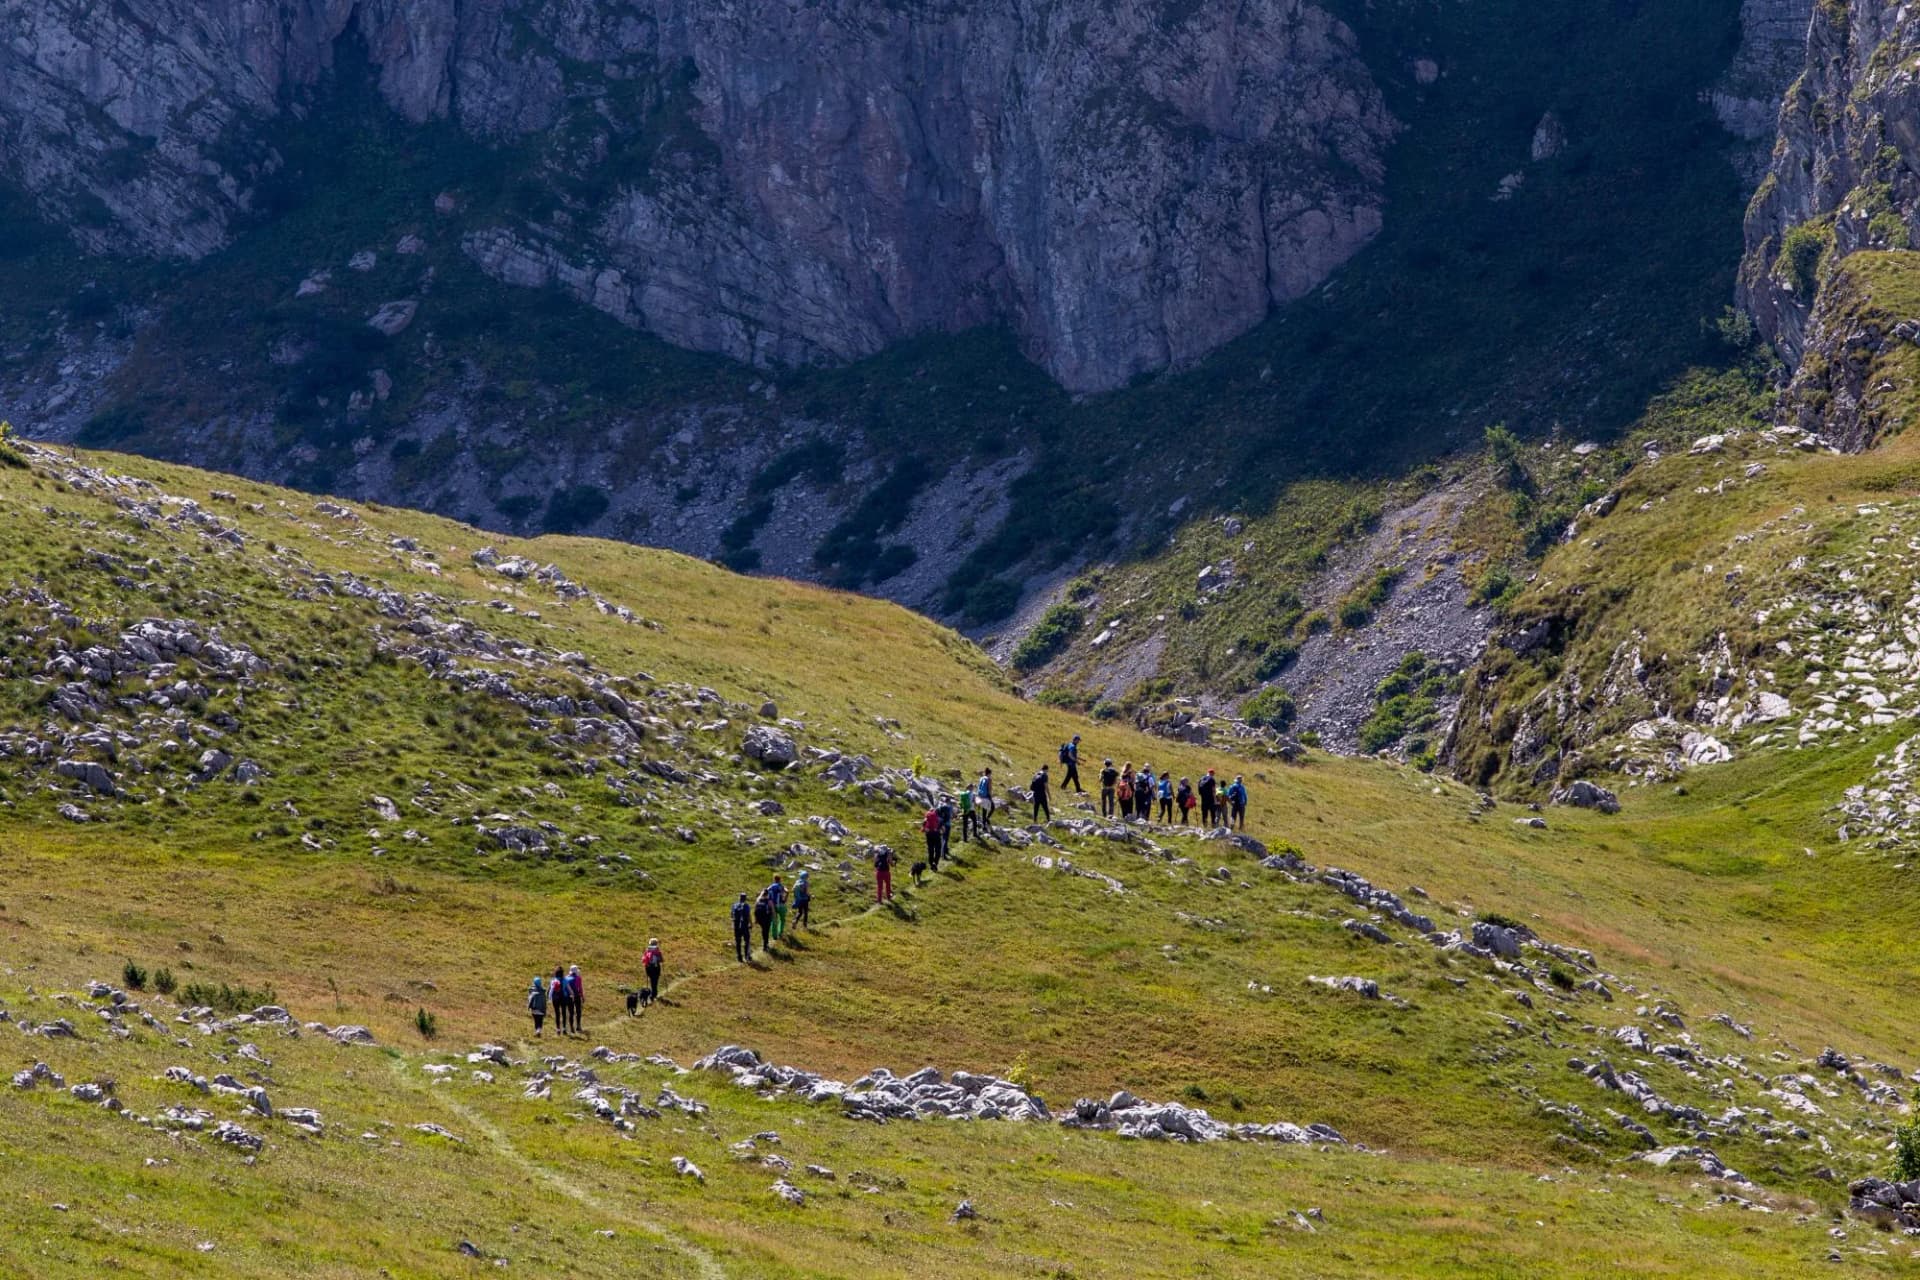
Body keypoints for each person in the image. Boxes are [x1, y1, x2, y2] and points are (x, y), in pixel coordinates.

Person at [550, 966, 574, 1036]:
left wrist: (550, 998)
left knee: (557, 1013)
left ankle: (558, 1029)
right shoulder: (565, 980)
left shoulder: (553, 980)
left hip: (555, 998)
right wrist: (572, 995)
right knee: (564, 1013)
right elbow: (569, 990)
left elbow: (551, 990)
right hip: (564, 998)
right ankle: (564, 1028)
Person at [731, 892, 753, 962]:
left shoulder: (734, 905)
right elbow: (748, 915)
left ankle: (739, 957)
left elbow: (732, 915)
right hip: (744, 926)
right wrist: (751, 924)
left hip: (736, 926)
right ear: (745, 898)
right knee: (747, 941)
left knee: (738, 942)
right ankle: (747, 956)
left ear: (739, 898)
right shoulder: (746, 906)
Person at [922, 805, 944, 872]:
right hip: (936, 835)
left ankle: (931, 864)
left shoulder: (927, 816)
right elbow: (943, 828)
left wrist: (926, 830)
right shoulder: (940, 818)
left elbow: (924, 824)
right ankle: (935, 863)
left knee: (930, 850)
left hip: (929, 835)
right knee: (938, 850)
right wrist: (942, 832)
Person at [643, 938, 664, 1002]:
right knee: (655, 981)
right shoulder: (657, 951)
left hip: (648, 968)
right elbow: (661, 960)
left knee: (652, 980)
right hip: (656, 968)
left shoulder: (647, 950)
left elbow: (644, 959)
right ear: (656, 944)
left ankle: (653, 994)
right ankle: (653, 994)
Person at [768, 875, 789, 941]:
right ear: (780, 879)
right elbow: (787, 891)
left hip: (772, 905)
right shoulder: (781, 886)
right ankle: (780, 932)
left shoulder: (771, 886)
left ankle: (774, 935)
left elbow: (766, 891)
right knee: (782, 919)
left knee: (774, 920)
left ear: (774, 879)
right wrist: (785, 898)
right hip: (781, 905)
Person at [937, 793, 955, 861]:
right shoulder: (949, 807)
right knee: (945, 839)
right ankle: (943, 854)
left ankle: (946, 850)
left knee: (943, 838)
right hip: (947, 825)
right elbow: (952, 815)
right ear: (949, 801)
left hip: (941, 824)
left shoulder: (941, 806)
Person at [567, 965, 584, 1034]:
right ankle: (578, 1026)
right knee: (578, 1011)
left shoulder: (566, 978)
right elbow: (580, 988)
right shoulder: (578, 978)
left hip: (569, 997)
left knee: (571, 1013)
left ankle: (571, 1027)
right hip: (577, 996)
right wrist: (582, 996)